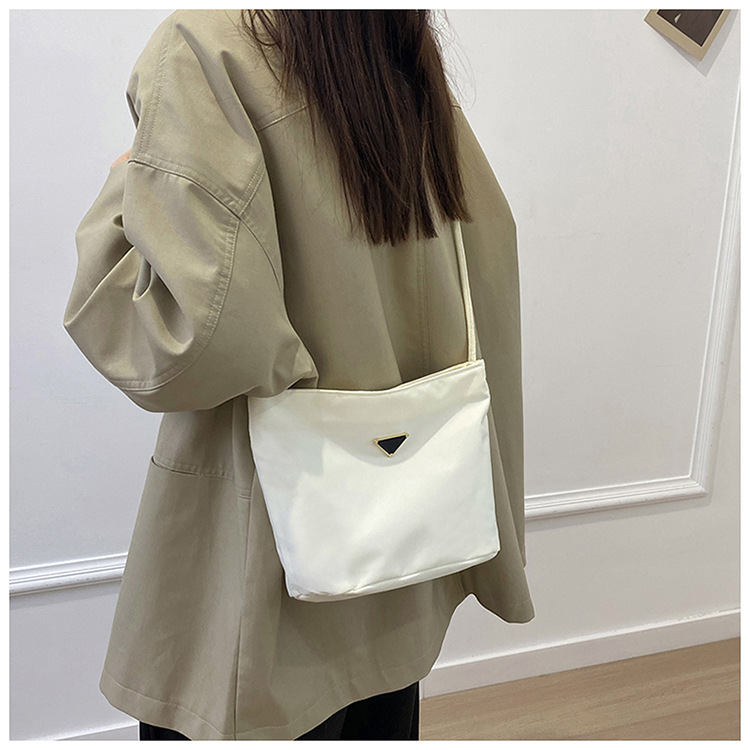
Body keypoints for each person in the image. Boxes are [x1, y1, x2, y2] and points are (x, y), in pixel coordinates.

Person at [63, 10, 535, 741]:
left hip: (263, 566)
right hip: (395, 553)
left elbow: (185, 341)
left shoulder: (206, 48)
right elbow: (486, 260)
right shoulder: (394, 47)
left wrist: (125, 184)